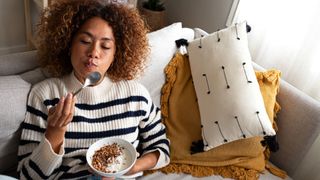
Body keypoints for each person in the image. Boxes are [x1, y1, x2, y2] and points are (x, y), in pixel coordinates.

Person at [17, 0, 170, 179]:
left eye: (105, 46)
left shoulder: (136, 95)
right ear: (68, 45)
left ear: (116, 54)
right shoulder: (45, 94)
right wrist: (54, 134)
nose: (94, 52)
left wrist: (132, 168)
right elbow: (26, 176)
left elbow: (162, 148)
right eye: (85, 41)